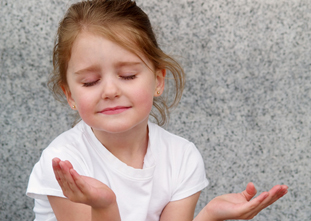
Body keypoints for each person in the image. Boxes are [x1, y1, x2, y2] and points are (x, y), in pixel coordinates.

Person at [26, 0, 288, 220]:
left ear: (158, 81)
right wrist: (104, 205)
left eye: (128, 75)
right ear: (70, 94)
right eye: (90, 82)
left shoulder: (182, 158)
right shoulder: (63, 164)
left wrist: (208, 215)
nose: (109, 91)